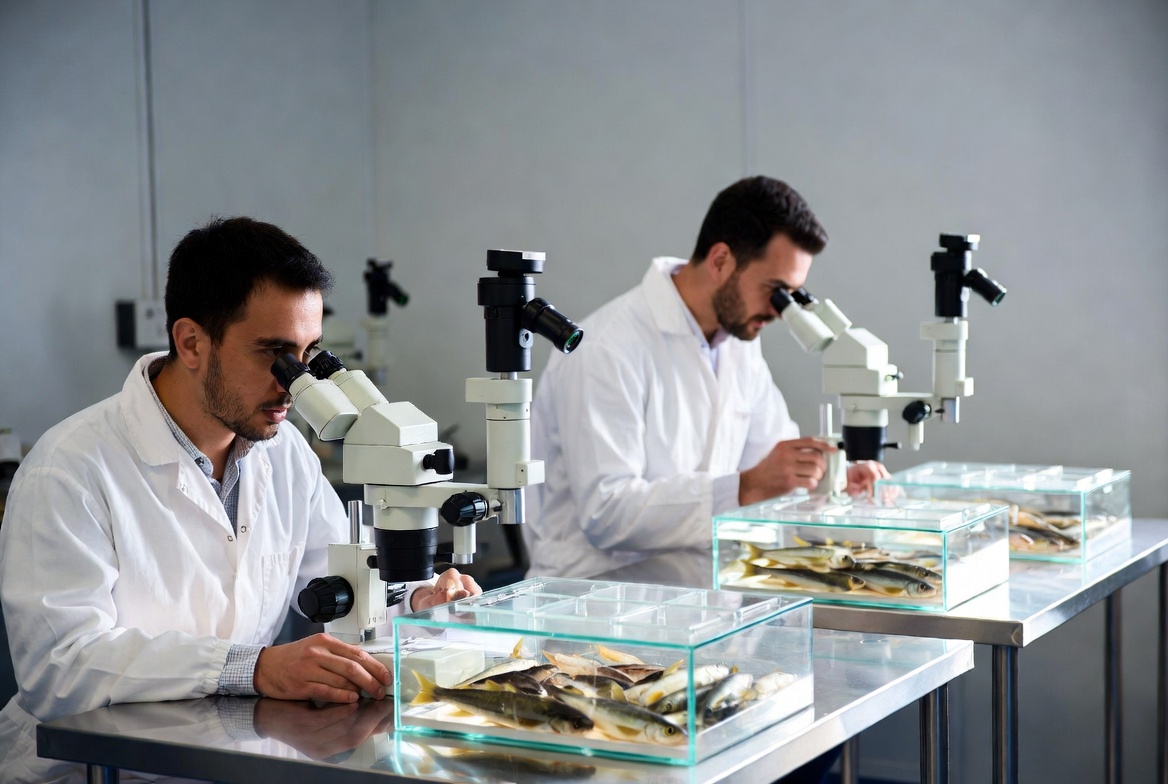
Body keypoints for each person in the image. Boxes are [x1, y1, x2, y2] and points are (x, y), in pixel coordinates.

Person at [0, 217, 480, 724]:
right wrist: (250, 669)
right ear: (190, 343)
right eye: (274, 354)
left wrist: (417, 599)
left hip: (228, 746)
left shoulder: (285, 452)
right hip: (93, 768)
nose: (293, 385)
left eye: (306, 356)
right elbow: (59, 669)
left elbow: (344, 584)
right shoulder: (68, 469)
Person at [525, 175, 889, 579]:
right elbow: (607, 514)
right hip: (591, 605)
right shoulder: (606, 347)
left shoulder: (738, 343)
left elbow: (770, 468)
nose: (780, 311)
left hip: (693, 601)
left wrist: (827, 482)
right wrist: (745, 487)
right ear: (720, 261)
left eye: (793, 295)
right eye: (776, 291)